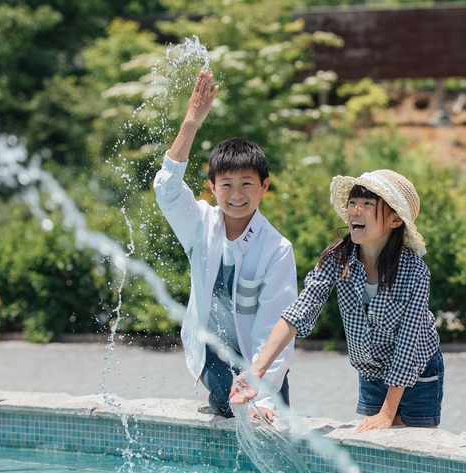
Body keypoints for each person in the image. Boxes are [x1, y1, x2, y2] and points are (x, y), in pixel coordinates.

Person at [230, 169, 443, 433]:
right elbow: (298, 313)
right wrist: (256, 373)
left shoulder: (414, 272)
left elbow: (408, 345)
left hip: (417, 374)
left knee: (413, 451)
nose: (356, 209)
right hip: (371, 372)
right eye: (353, 202)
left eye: (368, 204)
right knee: (374, 450)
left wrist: (387, 413)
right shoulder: (337, 259)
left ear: (395, 220)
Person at [153, 70, 298, 421]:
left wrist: (264, 398)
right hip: (212, 349)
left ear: (264, 186)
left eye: (247, 183)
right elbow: (167, 190)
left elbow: (275, 326)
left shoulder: (276, 249)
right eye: (227, 184)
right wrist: (191, 122)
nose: (236, 195)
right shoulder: (200, 225)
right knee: (231, 406)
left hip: (257, 357)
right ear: (212, 187)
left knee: (272, 420)